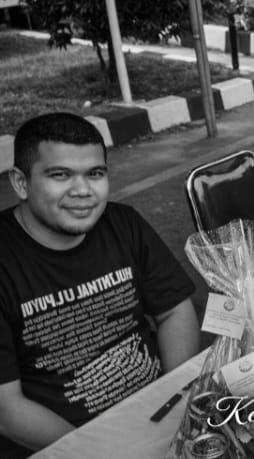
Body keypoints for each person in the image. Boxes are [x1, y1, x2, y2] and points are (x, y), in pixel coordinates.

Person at [0, 113, 200, 457]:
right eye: (60, 175)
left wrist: (176, 402)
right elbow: (8, 411)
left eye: (95, 174)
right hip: (67, 444)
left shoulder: (123, 223)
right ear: (21, 182)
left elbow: (173, 311)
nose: (82, 191)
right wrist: (102, 450)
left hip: (156, 413)